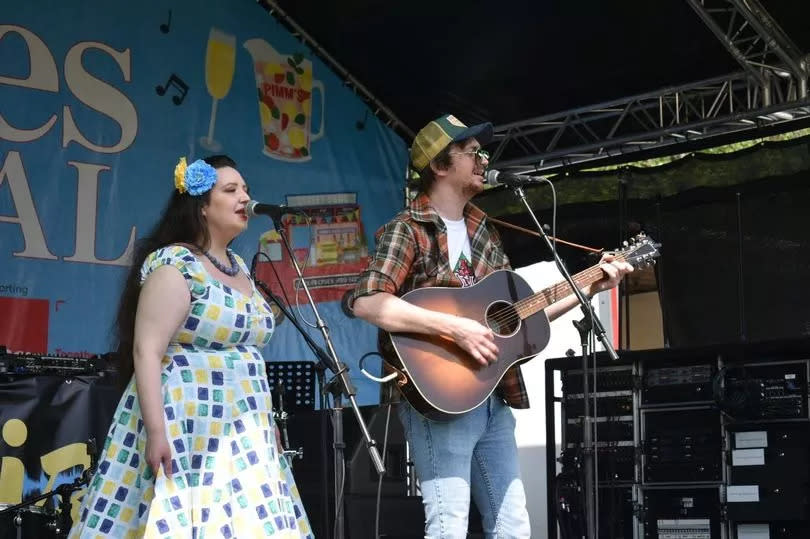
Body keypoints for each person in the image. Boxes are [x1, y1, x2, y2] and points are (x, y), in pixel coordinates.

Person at [350, 115, 633, 538]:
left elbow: (517, 318)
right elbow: (367, 302)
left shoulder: (485, 231)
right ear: (440, 167)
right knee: (448, 526)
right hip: (440, 399)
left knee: (513, 525)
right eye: (472, 153)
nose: (484, 159)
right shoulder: (407, 230)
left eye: (483, 152)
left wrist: (590, 284)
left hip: (493, 397)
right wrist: (456, 329)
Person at [69, 156, 313, 538]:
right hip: (185, 421)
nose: (244, 198)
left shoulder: (240, 268)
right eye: (230, 190)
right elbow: (146, 350)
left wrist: (265, 426)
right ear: (201, 205)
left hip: (245, 431)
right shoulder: (177, 265)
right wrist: (156, 432)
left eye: (245, 189)